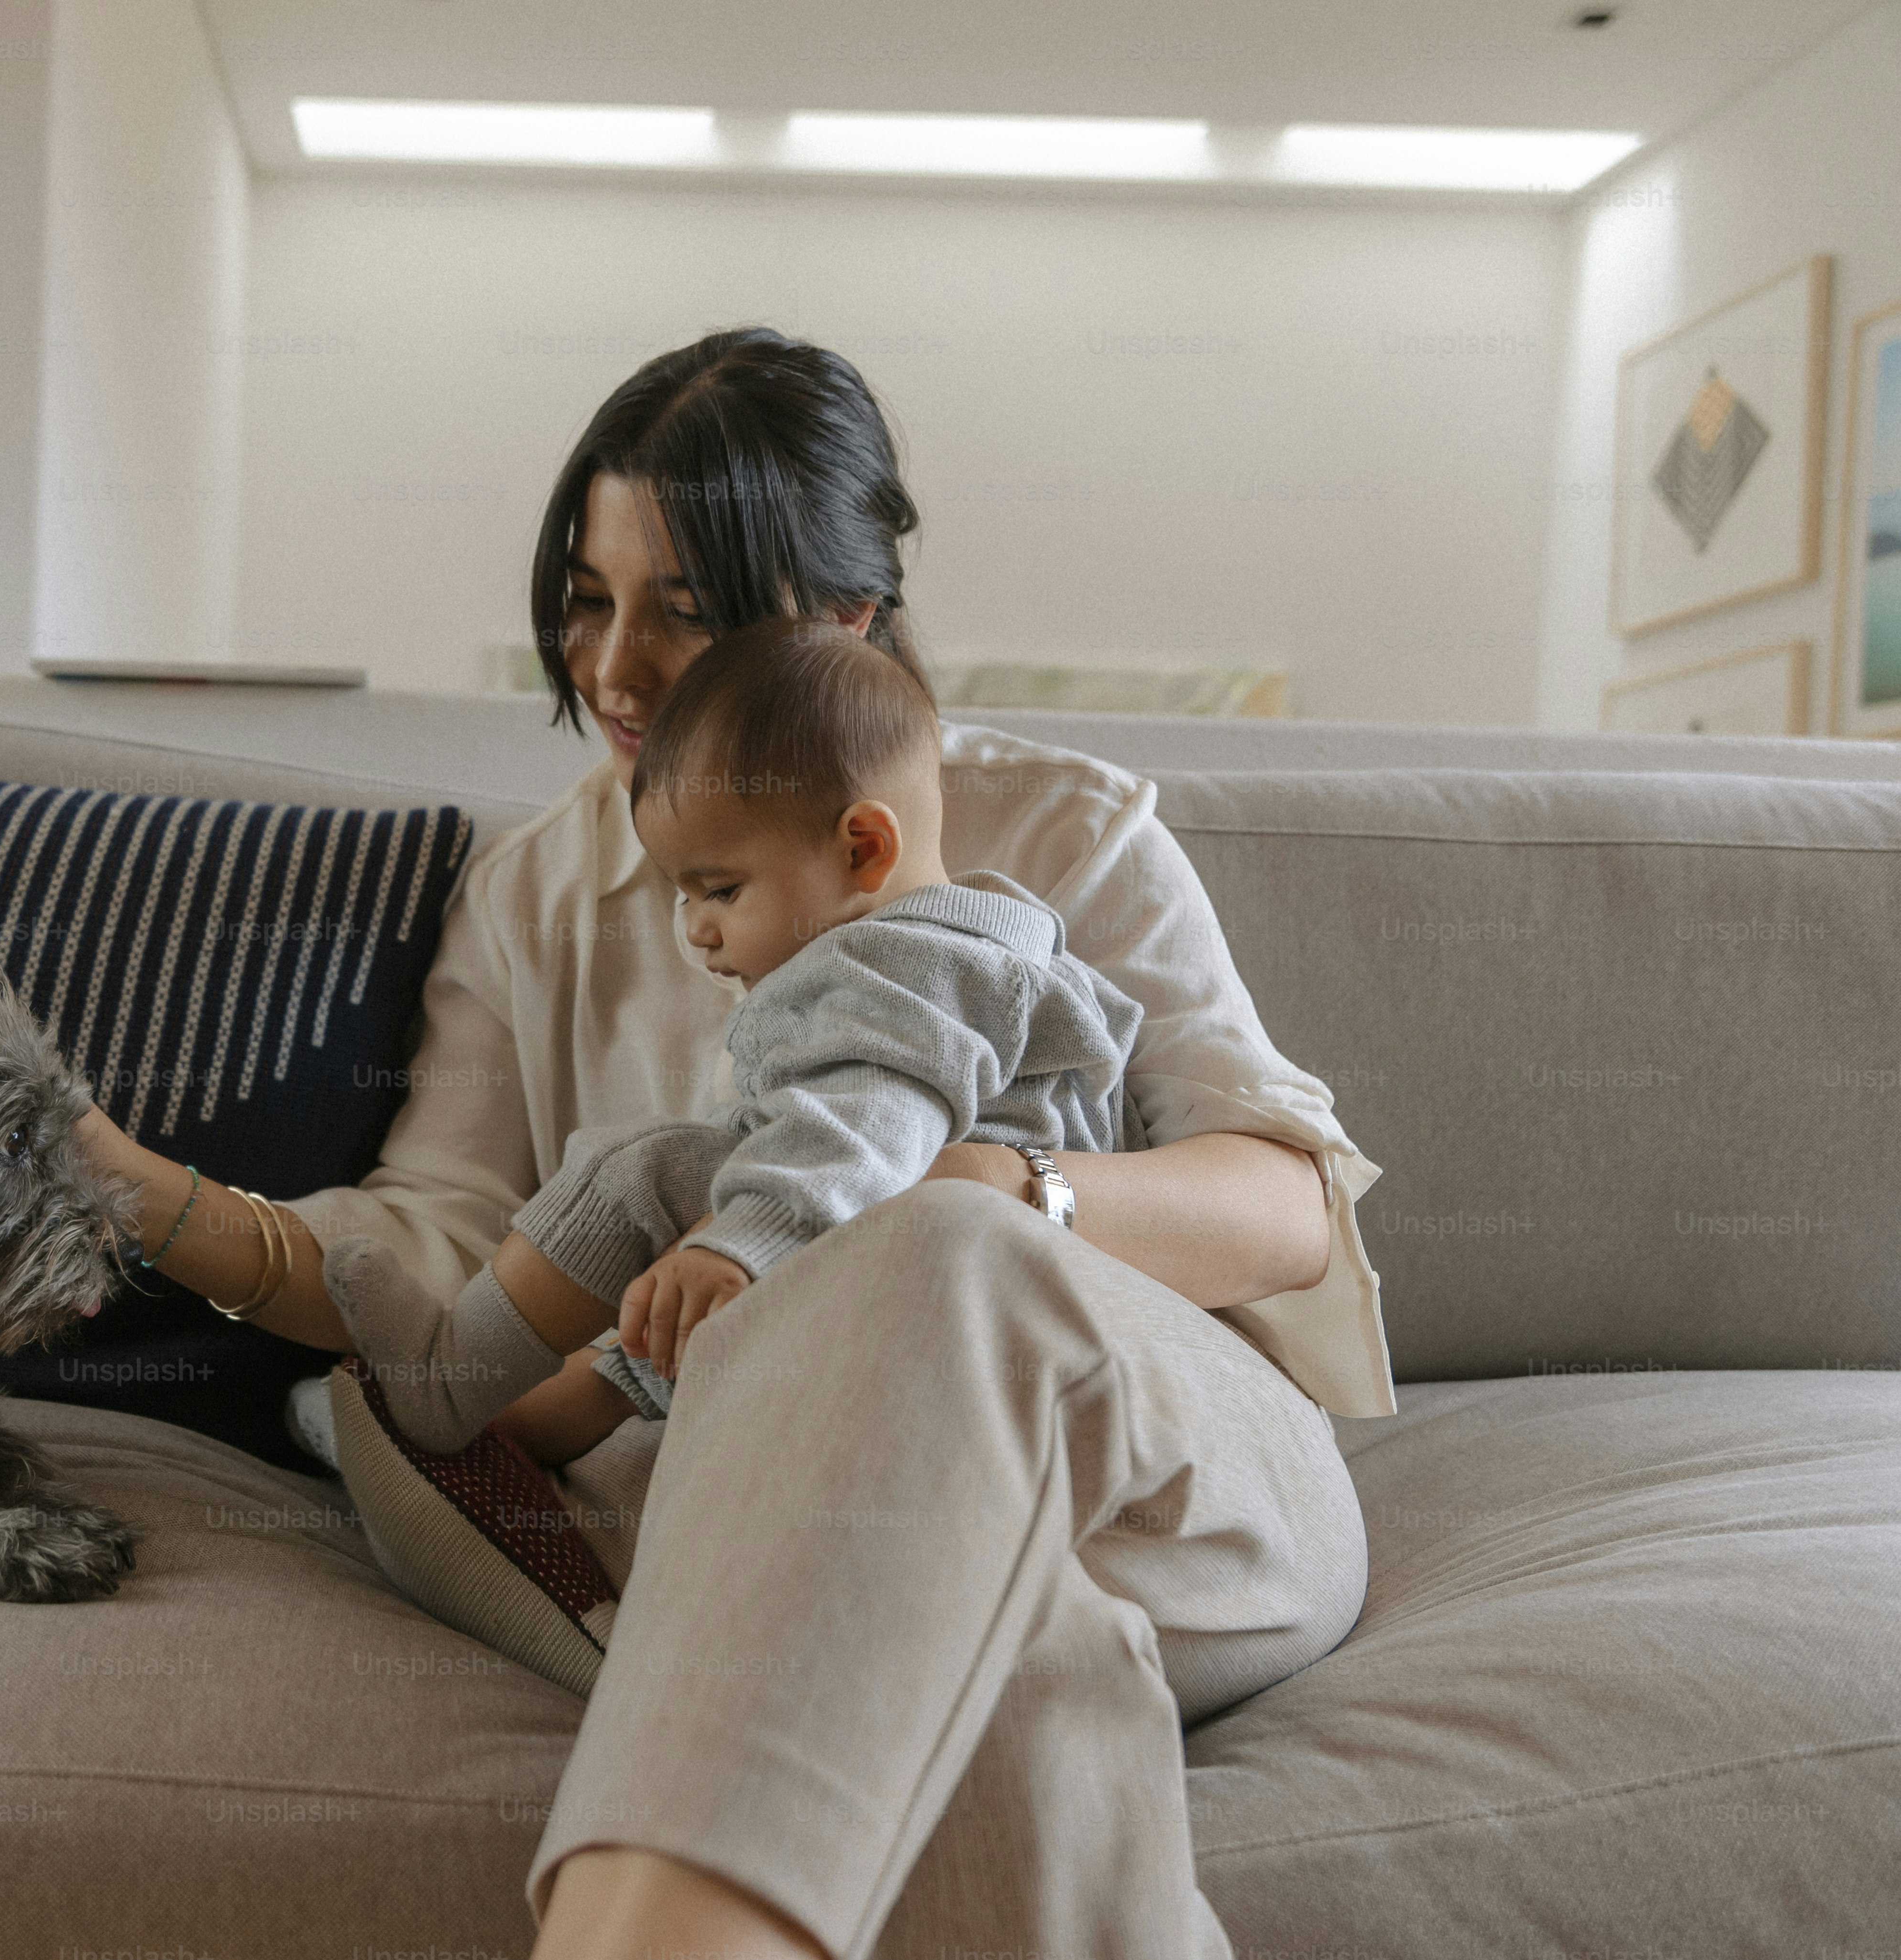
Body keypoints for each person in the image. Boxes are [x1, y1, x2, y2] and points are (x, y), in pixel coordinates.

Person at [71, 326, 1389, 1960]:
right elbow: (443, 1252)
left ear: (845, 615)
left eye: (680, 608)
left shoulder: (1061, 831)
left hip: (1179, 1502)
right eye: (586, 598)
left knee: (924, 1253)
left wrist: (999, 1191)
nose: (614, 668)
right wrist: (136, 1192)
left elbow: (1283, 1213)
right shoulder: (533, 895)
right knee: (975, 1632)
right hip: (814, 1518)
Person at [325, 612, 1143, 1469]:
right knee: (674, 1228)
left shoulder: (907, 966)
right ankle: (487, 1436)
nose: (699, 933)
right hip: (917, 1249)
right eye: (684, 898)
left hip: (960, 1285)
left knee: (635, 1179)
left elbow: (868, 1122)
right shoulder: (967, 946)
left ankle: (449, 1382)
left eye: (719, 890)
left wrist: (740, 1242)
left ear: (864, 849)